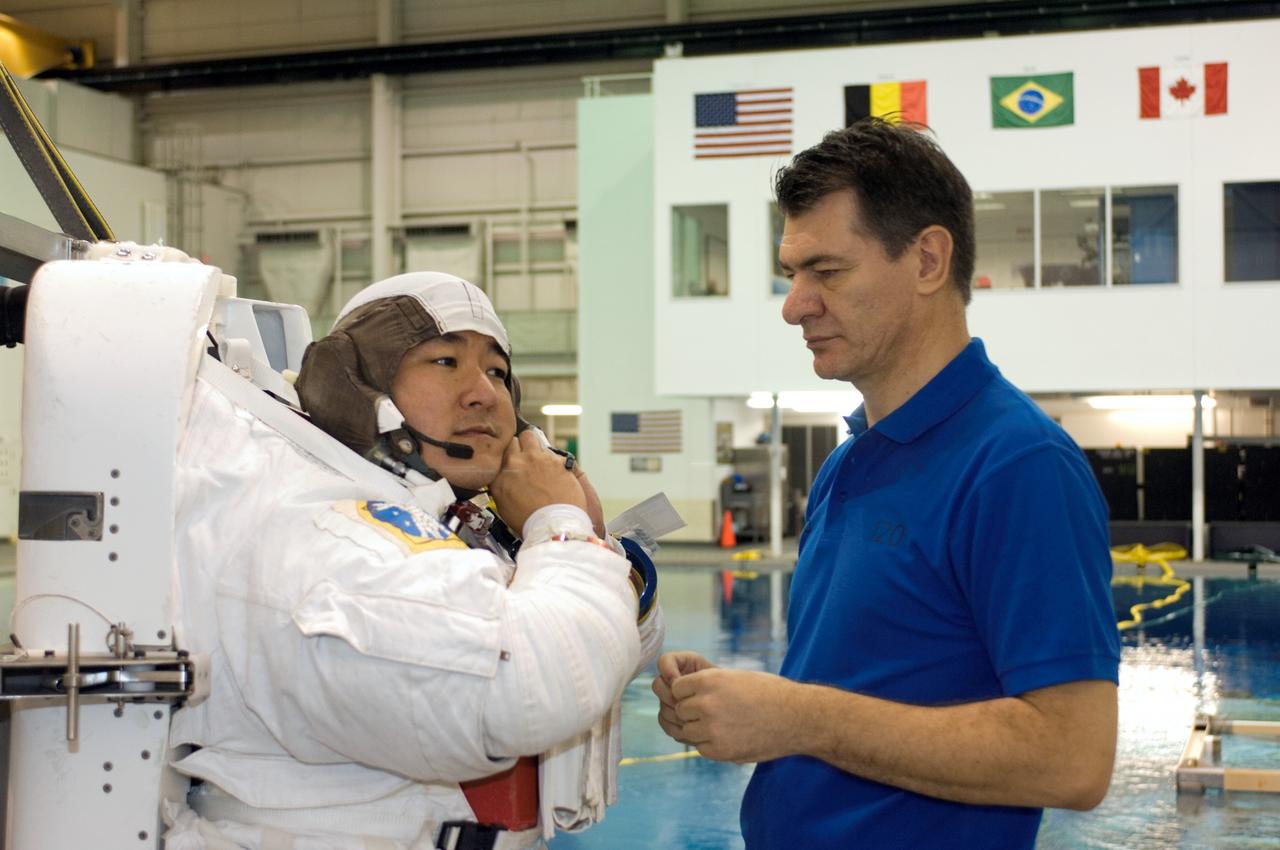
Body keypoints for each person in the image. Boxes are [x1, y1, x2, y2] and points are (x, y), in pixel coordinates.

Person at [652, 118, 1120, 849]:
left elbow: (1072, 758)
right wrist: (744, 703)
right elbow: (870, 679)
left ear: (929, 259)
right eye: (791, 274)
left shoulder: (1017, 465)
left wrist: (795, 717)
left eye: (826, 271)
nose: (793, 304)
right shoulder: (850, 462)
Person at [164, 271, 662, 849]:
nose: (485, 393)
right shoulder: (327, 531)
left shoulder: (441, 519)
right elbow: (531, 686)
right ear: (358, 384)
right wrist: (562, 530)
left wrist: (587, 535)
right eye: (445, 362)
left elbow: (610, 647)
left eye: (498, 372)